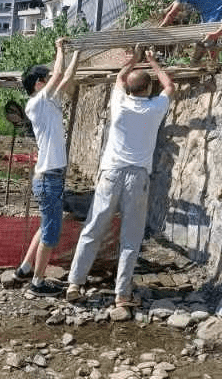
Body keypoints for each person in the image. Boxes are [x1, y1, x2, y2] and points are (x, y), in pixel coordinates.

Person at [66, 47, 174, 306]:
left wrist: (135, 60)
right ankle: (122, 294)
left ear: (129, 89)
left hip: (111, 173)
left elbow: (118, 78)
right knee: (131, 236)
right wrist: (153, 62)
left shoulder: (120, 103)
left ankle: (74, 283)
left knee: (93, 228)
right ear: (149, 90)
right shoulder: (155, 108)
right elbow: (169, 85)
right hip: (137, 177)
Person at [14, 37, 81, 296]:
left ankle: (25, 268)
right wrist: (59, 49)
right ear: (39, 84)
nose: (51, 78)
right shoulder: (38, 102)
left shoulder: (48, 102)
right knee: (51, 232)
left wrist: (77, 54)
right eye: (46, 77)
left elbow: (65, 77)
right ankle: (37, 283)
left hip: (49, 175)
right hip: (48, 177)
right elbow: (60, 74)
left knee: (46, 225)